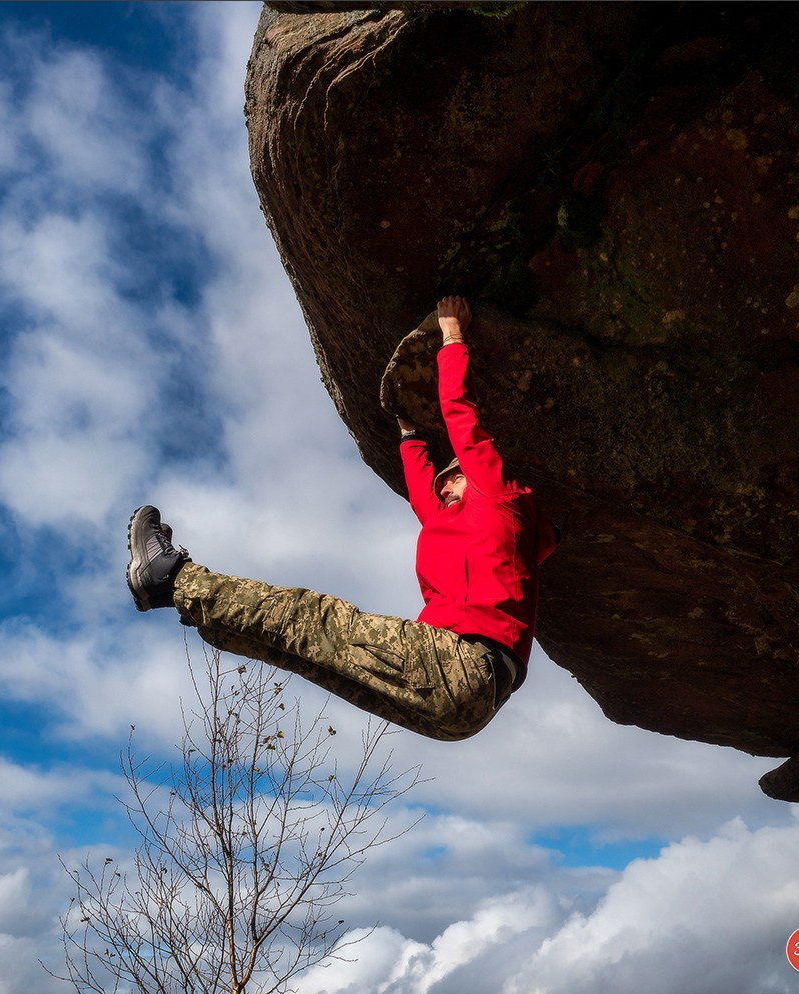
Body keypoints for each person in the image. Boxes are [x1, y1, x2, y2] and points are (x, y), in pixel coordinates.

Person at [126, 295, 558, 741]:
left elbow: (463, 419)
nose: (444, 486)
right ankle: (191, 605)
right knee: (304, 652)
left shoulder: (501, 497)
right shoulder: (459, 526)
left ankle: (172, 577)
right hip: (462, 709)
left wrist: (451, 336)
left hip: (461, 664)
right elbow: (422, 497)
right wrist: (408, 433)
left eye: (454, 477)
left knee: (310, 615)